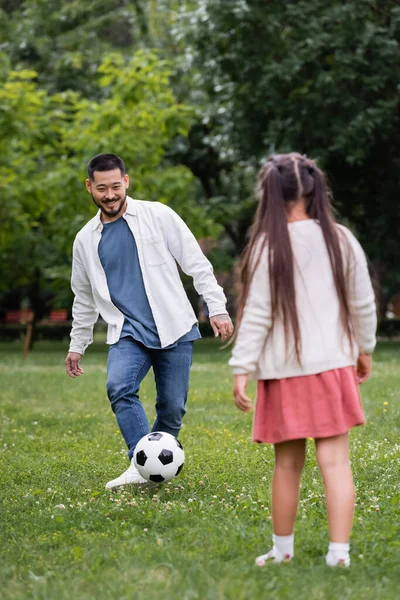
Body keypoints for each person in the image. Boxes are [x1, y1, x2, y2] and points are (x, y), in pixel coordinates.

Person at [229, 153, 376, 568]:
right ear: (315, 189)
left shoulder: (265, 245)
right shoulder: (341, 238)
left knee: (287, 466)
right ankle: (339, 555)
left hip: (283, 374)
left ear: (270, 194)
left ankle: (282, 550)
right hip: (332, 366)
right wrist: (364, 349)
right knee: (336, 462)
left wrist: (242, 369)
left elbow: (255, 313)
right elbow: (362, 303)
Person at [65, 153, 233, 489]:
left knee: (172, 407)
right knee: (119, 387)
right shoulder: (86, 240)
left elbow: (196, 263)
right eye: (102, 188)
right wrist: (77, 344)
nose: (110, 194)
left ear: (126, 181)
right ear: (89, 188)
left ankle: (156, 468)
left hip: (175, 325)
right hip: (127, 331)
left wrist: (217, 307)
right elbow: (83, 298)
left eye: (115, 186)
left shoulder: (158, 215)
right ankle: (139, 462)